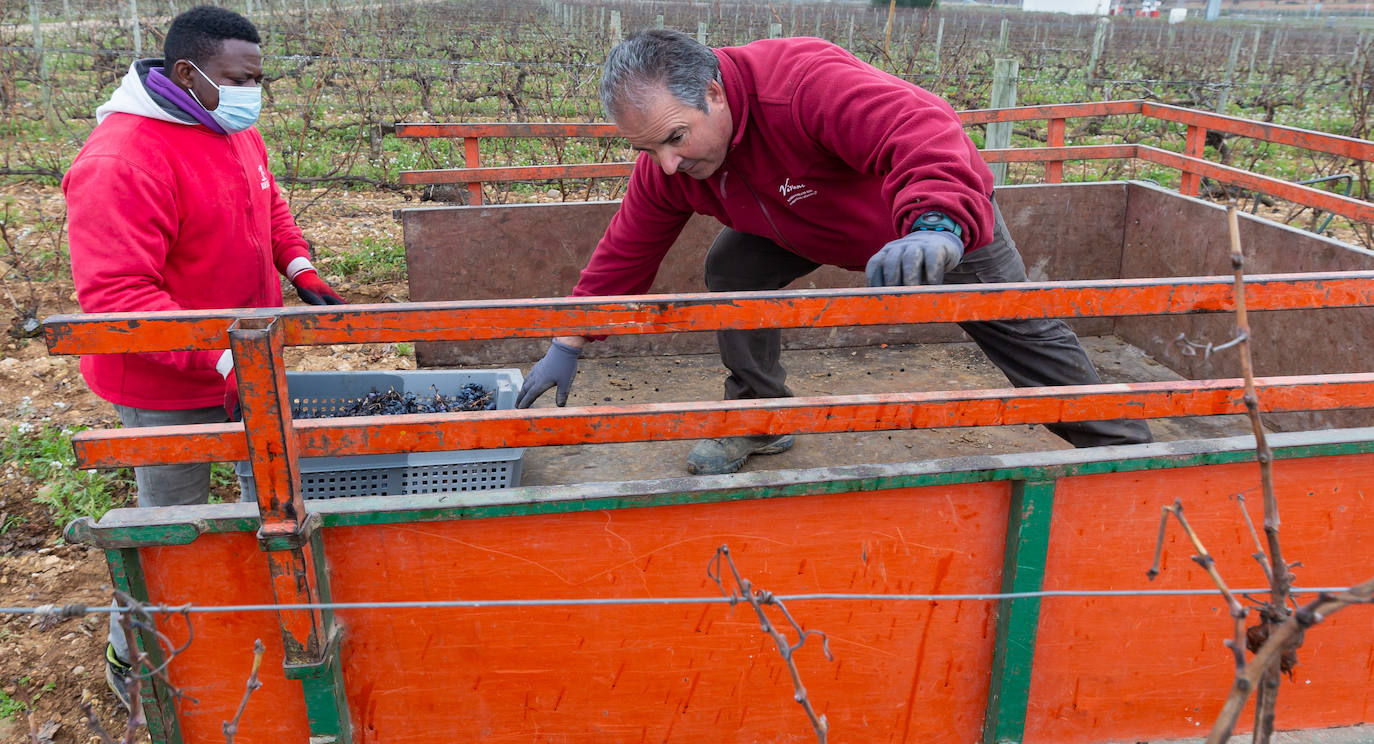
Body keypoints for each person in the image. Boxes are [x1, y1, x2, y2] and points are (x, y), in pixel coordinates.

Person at [516, 29, 1151, 474]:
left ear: (714, 91)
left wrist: (936, 223)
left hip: (926, 227)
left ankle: (1122, 452)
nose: (668, 163)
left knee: (1018, 328)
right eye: (647, 149)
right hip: (799, 223)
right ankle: (760, 416)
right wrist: (568, 341)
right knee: (733, 268)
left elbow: (921, 125)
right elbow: (628, 247)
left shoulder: (800, 86)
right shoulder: (674, 162)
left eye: (675, 139)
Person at [62, 5, 344, 710]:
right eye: (239, 78)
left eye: (259, 78)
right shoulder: (119, 160)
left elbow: (266, 201)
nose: (254, 92)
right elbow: (122, 299)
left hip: (245, 356)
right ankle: (139, 669)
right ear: (186, 74)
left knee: (274, 498)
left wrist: (300, 266)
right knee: (167, 526)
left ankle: (274, 630)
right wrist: (222, 360)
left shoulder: (226, 125)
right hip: (164, 379)